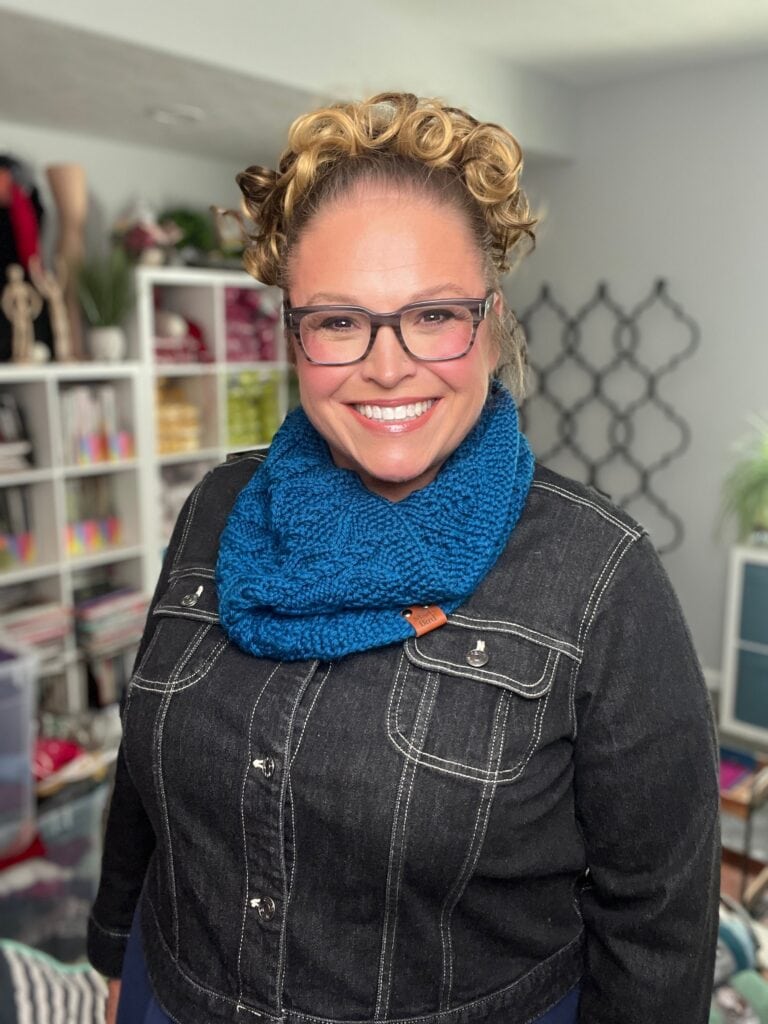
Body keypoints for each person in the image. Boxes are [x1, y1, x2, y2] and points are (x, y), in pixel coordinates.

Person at [88, 92, 720, 1024]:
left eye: (432, 315)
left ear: (491, 323)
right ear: (294, 336)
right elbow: (145, 775)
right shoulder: (218, 508)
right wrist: (111, 955)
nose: (387, 365)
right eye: (340, 321)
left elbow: (658, 916)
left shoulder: (598, 577)